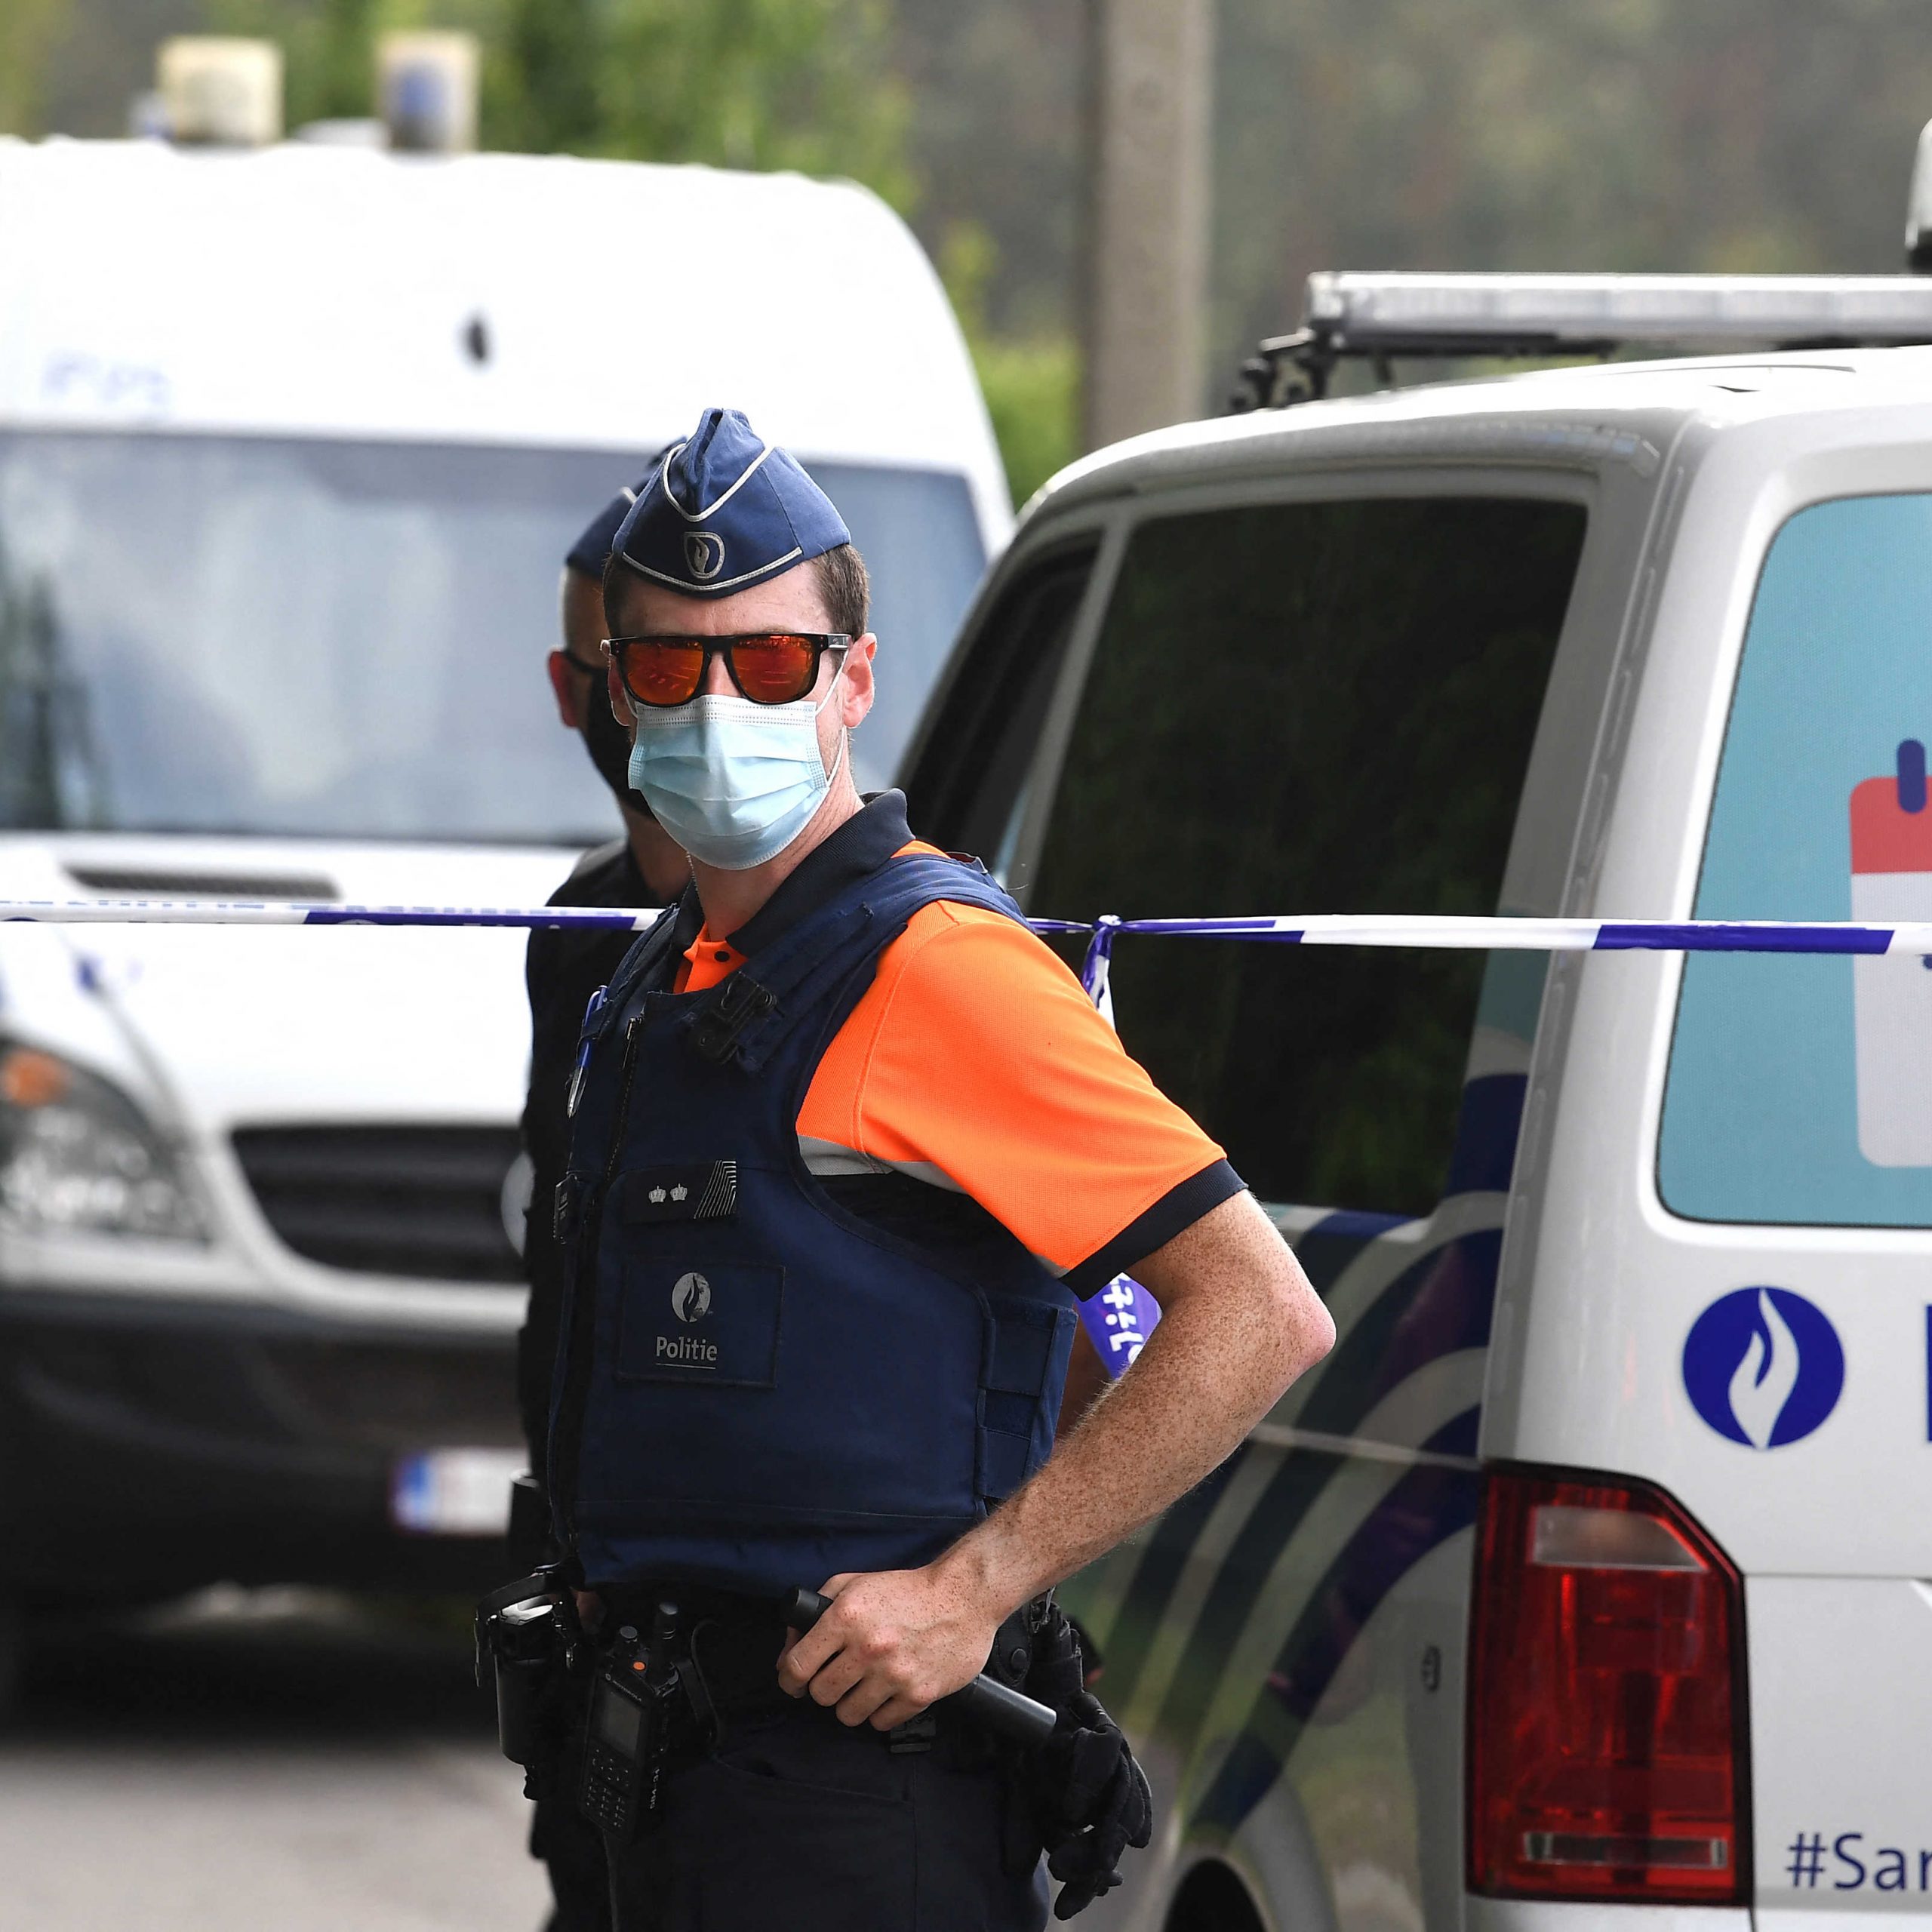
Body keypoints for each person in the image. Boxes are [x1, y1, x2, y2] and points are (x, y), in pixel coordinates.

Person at [547, 408, 1336, 1930]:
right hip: (673, 1779)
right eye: (668, 663)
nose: (718, 701)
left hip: (859, 1796)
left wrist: (979, 1583)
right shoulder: (676, 969)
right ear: (618, 698)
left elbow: (1252, 1309)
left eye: (768, 660)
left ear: (851, 679)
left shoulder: (939, 969)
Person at [517, 481, 692, 1932]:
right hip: (586, 1590)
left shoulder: (890, 944)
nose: (624, 717)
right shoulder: (574, 934)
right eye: (608, 677)